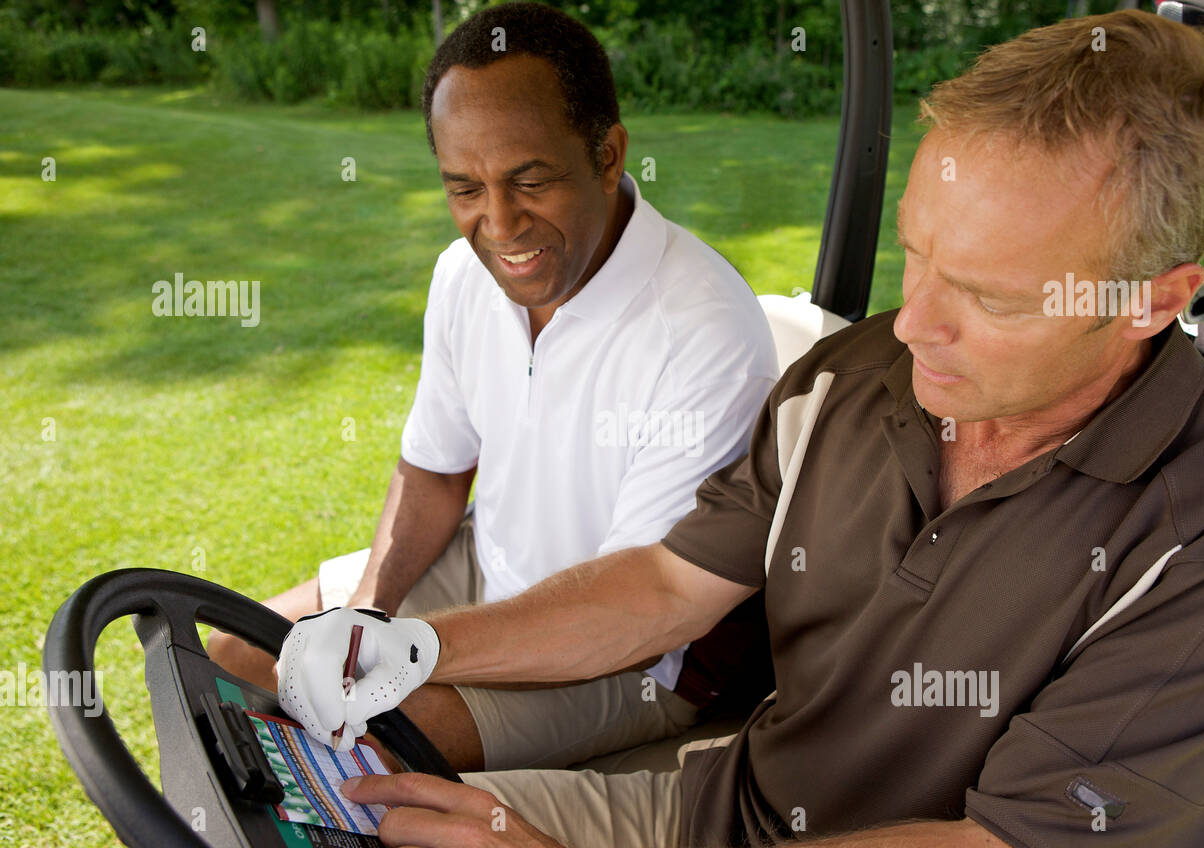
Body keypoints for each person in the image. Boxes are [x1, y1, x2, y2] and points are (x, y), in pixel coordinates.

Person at [282, 10, 1204, 848]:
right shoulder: (852, 380)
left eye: (986, 296)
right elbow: (670, 586)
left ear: (1149, 302)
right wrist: (410, 643)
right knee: (352, 827)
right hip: (715, 813)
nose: (911, 324)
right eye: (917, 256)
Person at [209, 2, 779, 775]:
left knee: (375, 732)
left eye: (529, 179)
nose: (499, 224)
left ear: (608, 156)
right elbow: (436, 470)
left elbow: (640, 602)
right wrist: (370, 612)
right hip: (489, 564)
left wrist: (408, 653)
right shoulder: (461, 275)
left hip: (632, 657)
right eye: (464, 189)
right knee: (237, 651)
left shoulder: (704, 328)